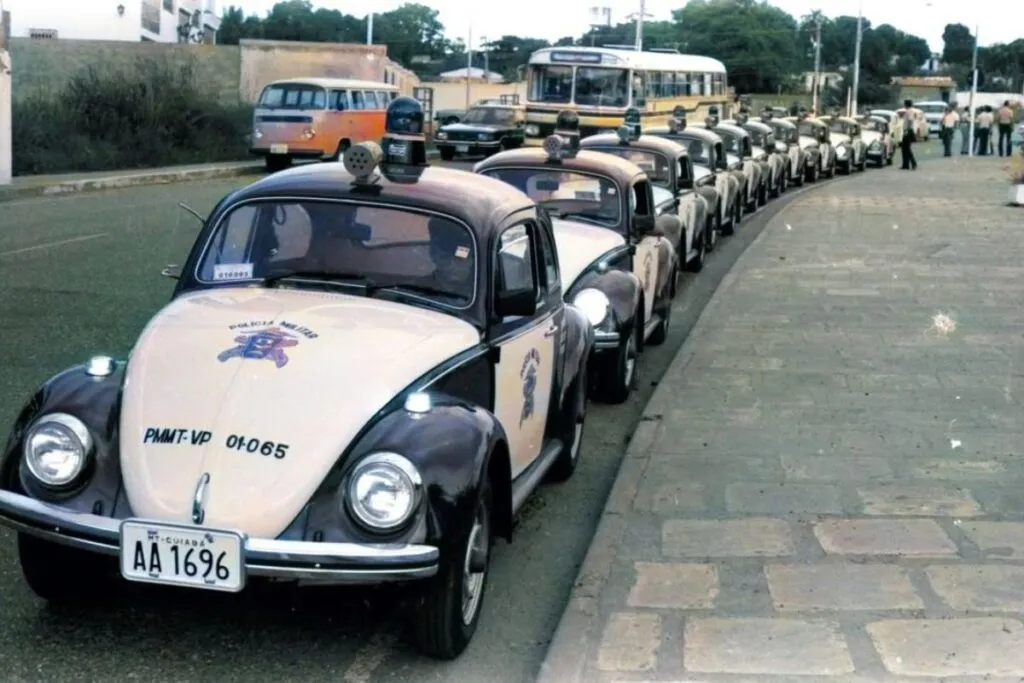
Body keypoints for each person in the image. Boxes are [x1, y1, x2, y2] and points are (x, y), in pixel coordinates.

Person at [427, 217, 475, 301]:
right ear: (433, 255)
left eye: (460, 259)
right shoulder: (414, 290)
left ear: (472, 260)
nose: (452, 265)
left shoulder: (481, 290)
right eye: (444, 258)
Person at [899, 99, 917, 170]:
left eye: (904, 104)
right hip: (907, 130)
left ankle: (913, 163)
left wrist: (907, 130)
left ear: (906, 104)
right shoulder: (909, 111)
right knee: (905, 148)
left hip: (908, 131)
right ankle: (905, 164)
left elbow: (910, 121)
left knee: (906, 148)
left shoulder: (909, 111)